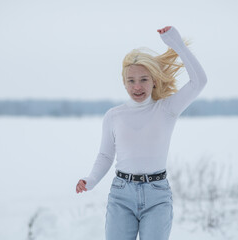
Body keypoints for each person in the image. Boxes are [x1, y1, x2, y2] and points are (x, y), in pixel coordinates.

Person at [76, 26, 207, 240]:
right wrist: (90, 180)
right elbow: (106, 156)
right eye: (131, 80)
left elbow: (199, 82)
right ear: (124, 83)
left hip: (157, 195)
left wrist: (176, 43)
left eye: (144, 79)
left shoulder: (167, 109)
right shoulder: (114, 116)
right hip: (121, 195)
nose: (137, 86)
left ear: (154, 80)